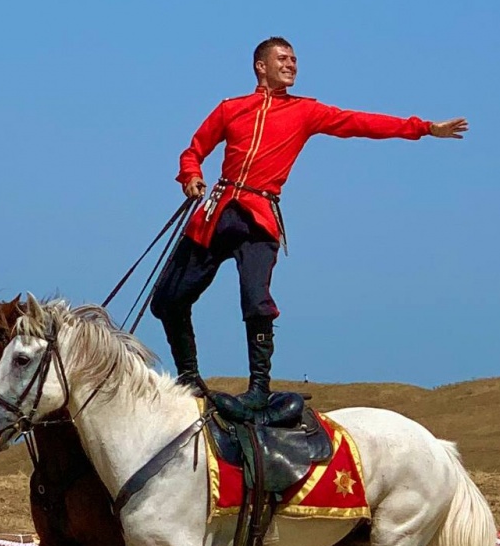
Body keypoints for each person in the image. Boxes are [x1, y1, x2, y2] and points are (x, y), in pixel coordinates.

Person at [150, 36, 467, 419]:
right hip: (217, 212)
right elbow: (194, 150)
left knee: (256, 300)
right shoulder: (231, 109)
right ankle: (188, 377)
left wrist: (424, 128)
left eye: (295, 59)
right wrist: (191, 176)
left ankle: (258, 390)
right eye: (283, 58)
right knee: (167, 299)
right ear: (260, 66)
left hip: (258, 216)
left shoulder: (306, 112)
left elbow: (360, 122)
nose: (292, 64)